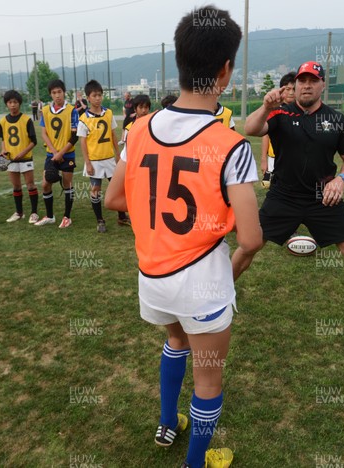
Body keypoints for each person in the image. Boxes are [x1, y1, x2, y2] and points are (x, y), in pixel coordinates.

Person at [105, 6, 262, 468]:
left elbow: (115, 199)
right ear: (226, 71)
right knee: (208, 380)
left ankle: (166, 422)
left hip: (152, 275)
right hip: (204, 282)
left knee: (174, 342)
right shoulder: (230, 145)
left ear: (179, 62)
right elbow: (251, 238)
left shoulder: (137, 130)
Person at [233, 60, 344, 327]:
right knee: (249, 245)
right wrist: (265, 107)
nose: (306, 86)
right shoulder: (280, 114)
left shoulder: (337, 119)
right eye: (302, 81)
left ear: (322, 86)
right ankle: (222, 294)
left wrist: (341, 179)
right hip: (283, 195)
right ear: (295, 85)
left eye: (312, 81)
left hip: (323, 196)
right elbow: (250, 129)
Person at [77, 79, 128, 232]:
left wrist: (118, 155)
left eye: (100, 95)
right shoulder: (84, 119)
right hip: (95, 160)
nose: (98, 98)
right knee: (96, 189)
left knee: (118, 188)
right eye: (94, 95)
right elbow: (83, 143)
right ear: (88, 97)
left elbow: (113, 135)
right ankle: (100, 220)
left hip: (109, 159)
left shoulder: (109, 113)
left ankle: (122, 216)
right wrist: (87, 162)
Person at [35, 79, 80, 228]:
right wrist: (55, 152)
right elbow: (44, 133)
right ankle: (49, 216)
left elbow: (74, 137)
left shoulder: (72, 111)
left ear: (64, 92)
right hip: (51, 155)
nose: (57, 95)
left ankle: (67, 217)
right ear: (50, 94)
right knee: (45, 184)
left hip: (67, 154)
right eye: (54, 93)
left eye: (59, 92)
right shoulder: (46, 110)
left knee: (67, 184)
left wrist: (61, 153)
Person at [0, 90, 39, 223]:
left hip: (25, 158)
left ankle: (34, 213)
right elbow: (3, 139)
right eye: (10, 102)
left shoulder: (26, 120)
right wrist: (3, 150)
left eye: (15, 102)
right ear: (6, 104)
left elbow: (34, 141)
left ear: (19, 103)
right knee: (16, 187)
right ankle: (19, 212)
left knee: (30, 185)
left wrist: (23, 152)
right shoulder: (3, 121)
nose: (13, 105)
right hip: (11, 159)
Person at [260, 72, 295, 187]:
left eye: (294, 89)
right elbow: (265, 134)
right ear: (281, 90)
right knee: (275, 187)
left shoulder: (302, 111)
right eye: (287, 89)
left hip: (295, 158)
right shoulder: (274, 110)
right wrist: (264, 159)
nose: (291, 92)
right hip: (274, 157)